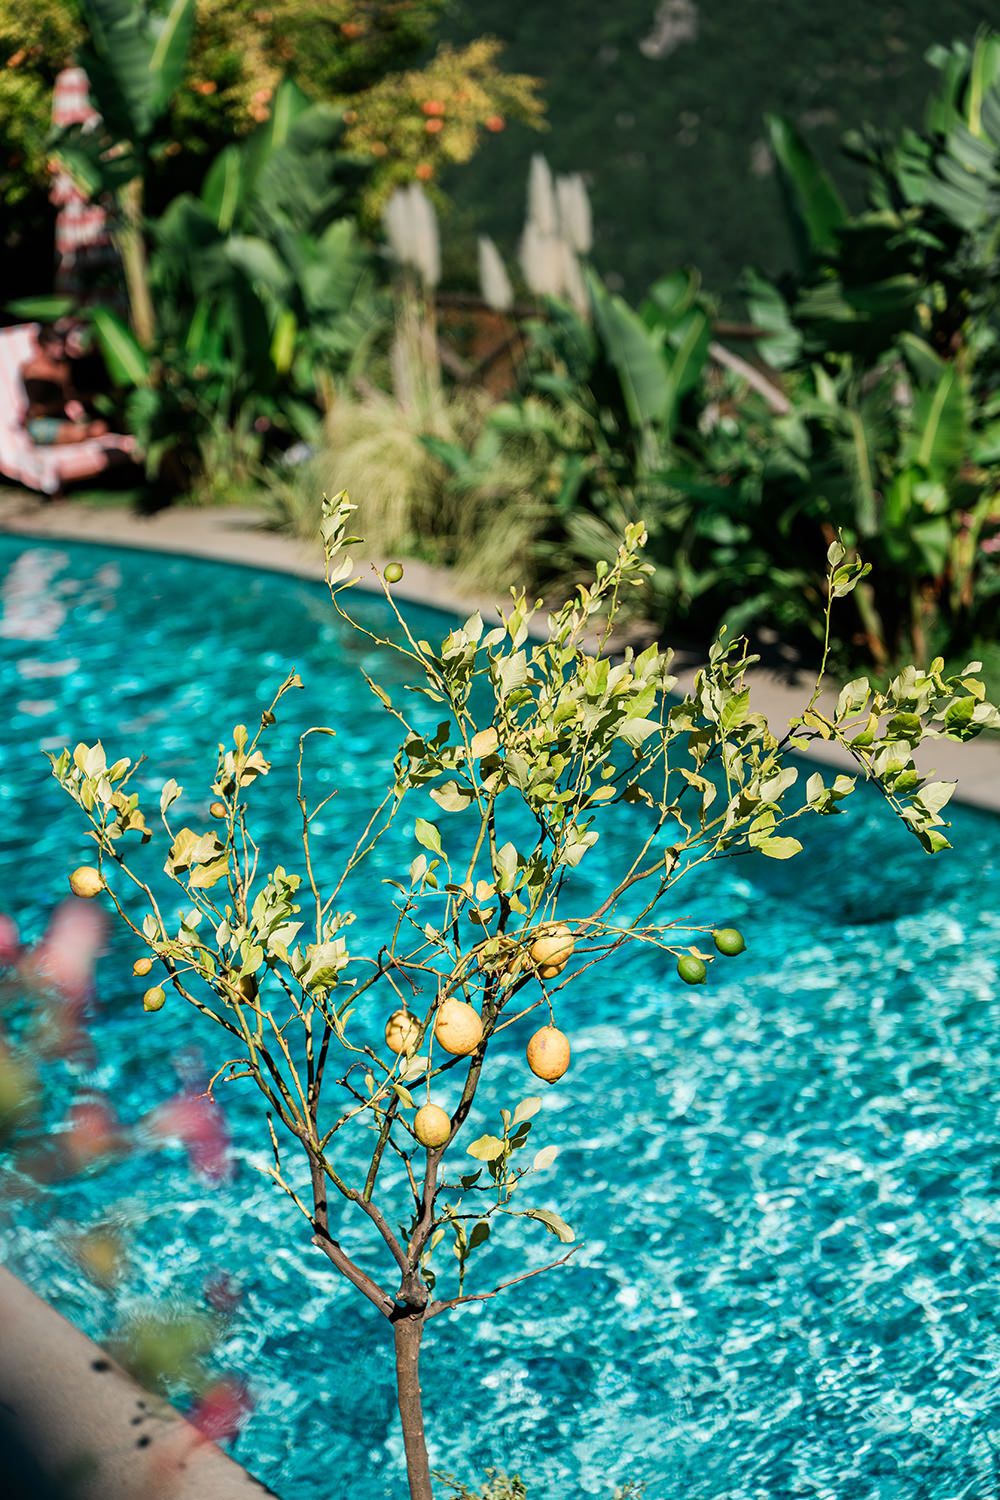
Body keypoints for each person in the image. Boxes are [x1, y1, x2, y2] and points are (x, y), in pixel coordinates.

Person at [20, 323, 109, 447]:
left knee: (101, 427)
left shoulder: (63, 366)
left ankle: (82, 432)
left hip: (64, 415)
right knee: (78, 433)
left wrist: (77, 406)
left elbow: (69, 394)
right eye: (55, 345)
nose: (60, 349)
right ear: (43, 345)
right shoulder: (32, 370)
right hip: (40, 421)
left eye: (61, 344)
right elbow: (39, 405)